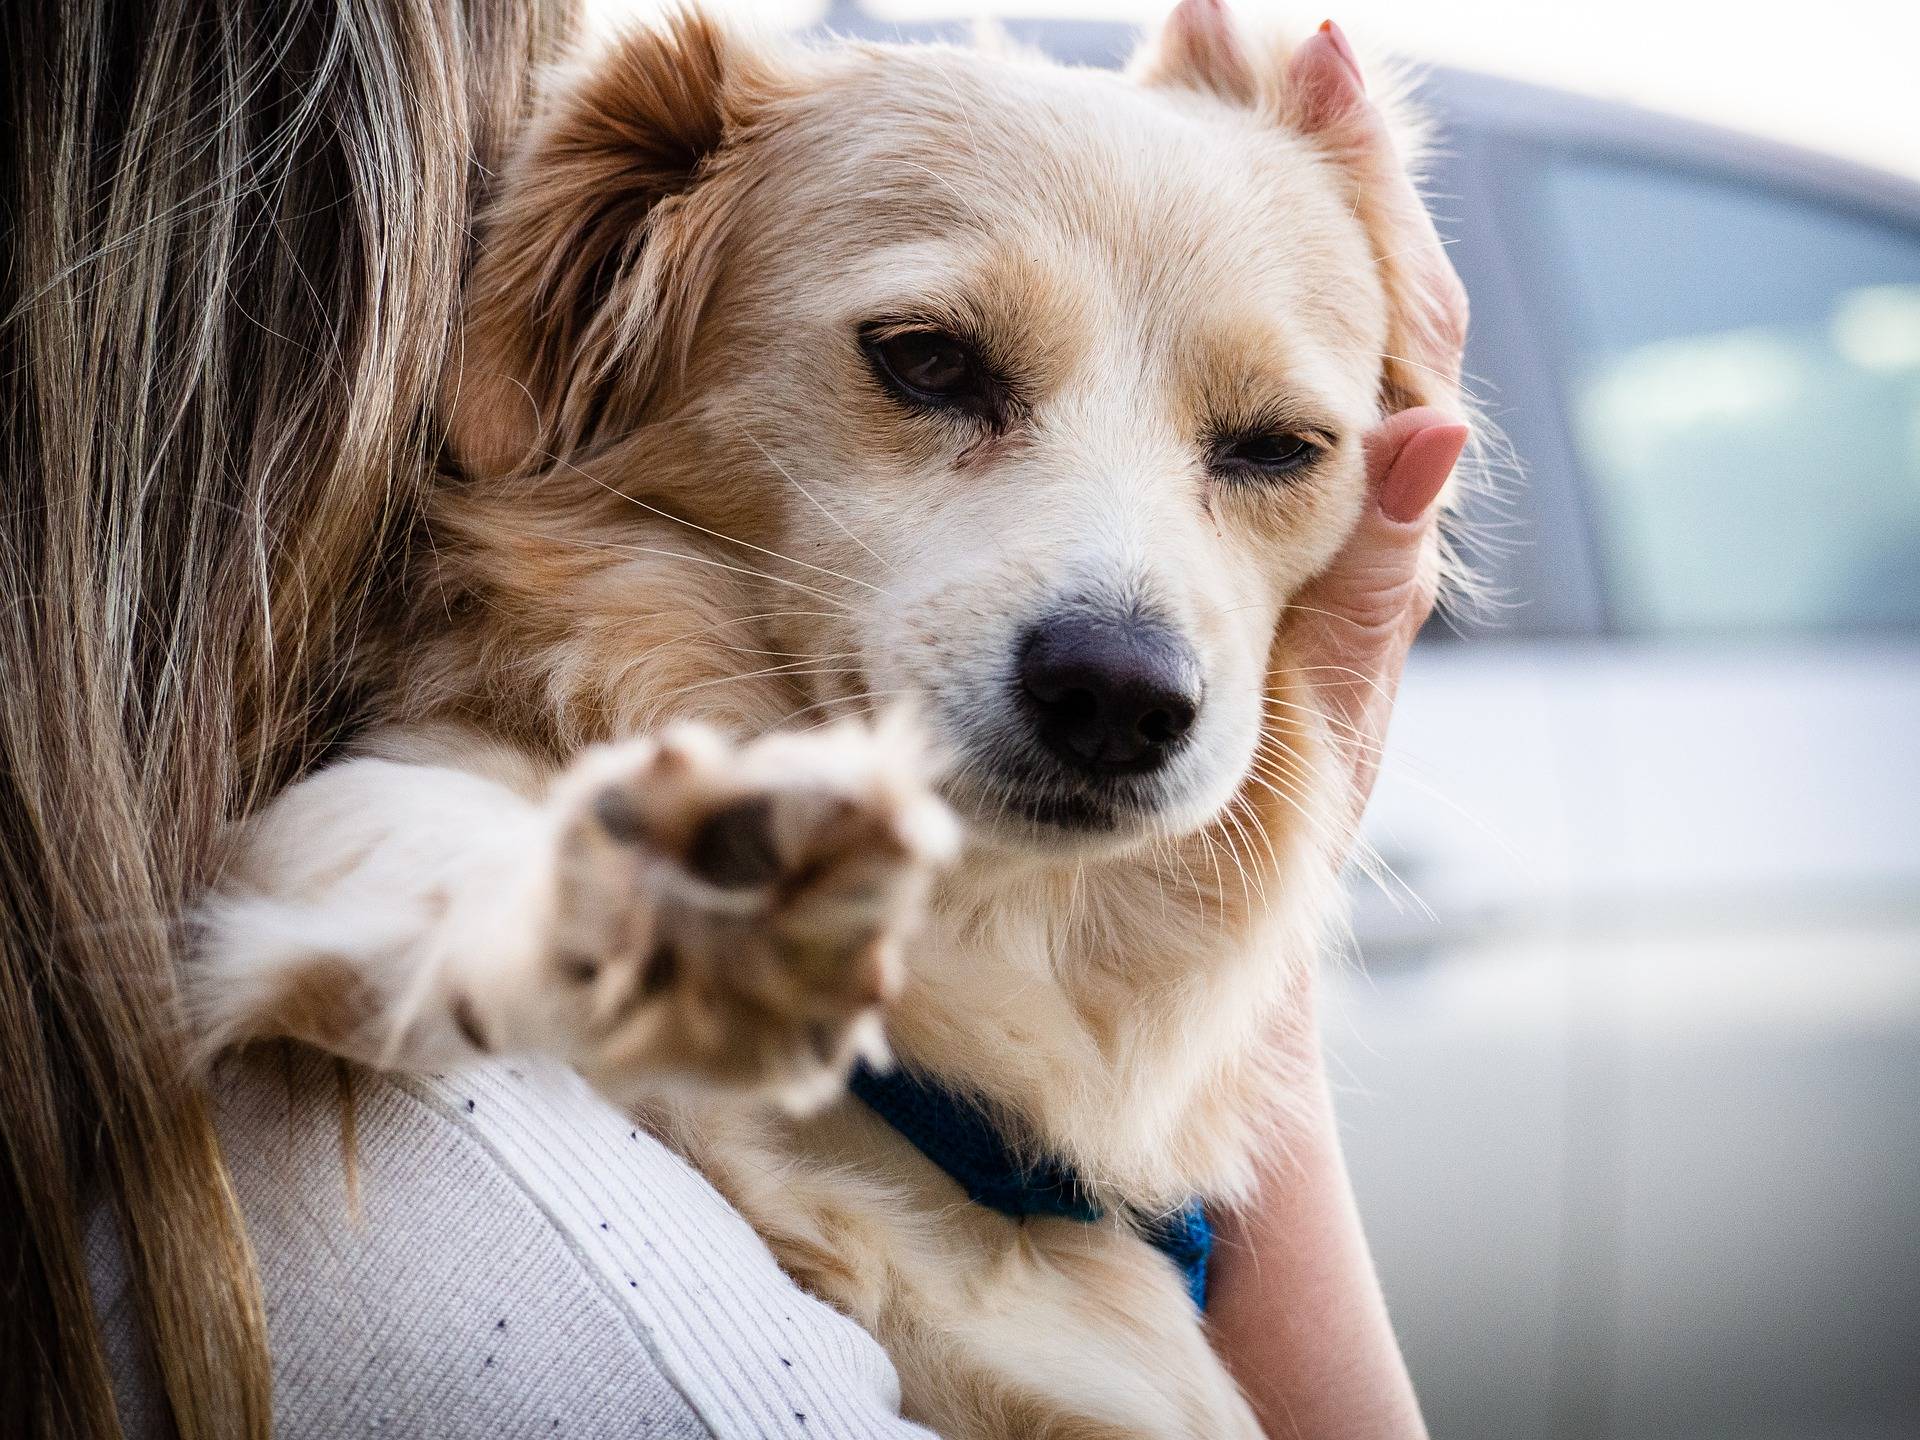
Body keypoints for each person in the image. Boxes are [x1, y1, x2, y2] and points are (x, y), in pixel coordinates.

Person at [0, 0, 1469, 1435]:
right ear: (582, 294)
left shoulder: (1091, 1246)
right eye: (932, 363)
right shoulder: (497, 1220)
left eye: (1272, 448)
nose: (1131, 641)